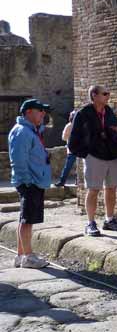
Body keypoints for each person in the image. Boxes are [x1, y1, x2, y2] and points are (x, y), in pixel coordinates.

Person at [68, 85, 117, 237]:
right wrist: (86, 153)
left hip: (112, 154)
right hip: (95, 156)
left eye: (108, 93)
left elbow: (115, 130)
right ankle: (90, 223)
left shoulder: (108, 111)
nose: (108, 96)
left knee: (111, 187)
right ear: (94, 95)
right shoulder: (83, 113)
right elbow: (74, 138)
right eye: (105, 93)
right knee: (93, 189)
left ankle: (109, 220)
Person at [8, 99, 53, 269]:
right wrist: (27, 181)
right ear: (28, 112)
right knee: (27, 219)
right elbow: (18, 160)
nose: (43, 114)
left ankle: (21, 255)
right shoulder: (22, 132)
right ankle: (28, 256)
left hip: (34, 180)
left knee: (26, 218)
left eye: (44, 111)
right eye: (39, 110)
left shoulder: (31, 130)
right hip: (30, 181)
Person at [55, 111, 77, 187]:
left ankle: (62, 181)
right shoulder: (80, 125)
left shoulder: (69, 126)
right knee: (79, 166)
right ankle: (77, 181)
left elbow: (64, 137)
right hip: (79, 149)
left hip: (72, 149)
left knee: (68, 167)